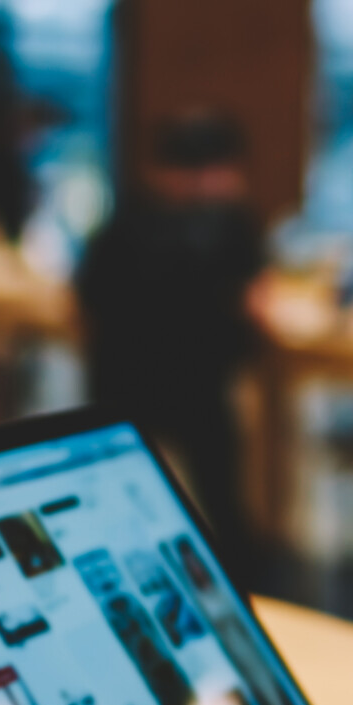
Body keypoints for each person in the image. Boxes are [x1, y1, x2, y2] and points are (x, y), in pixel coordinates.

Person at [78, 109, 267, 585]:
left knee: (121, 494)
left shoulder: (123, 222)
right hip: (199, 388)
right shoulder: (229, 226)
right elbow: (258, 305)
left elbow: (81, 302)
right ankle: (245, 589)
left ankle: (121, 578)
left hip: (119, 385)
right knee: (221, 501)